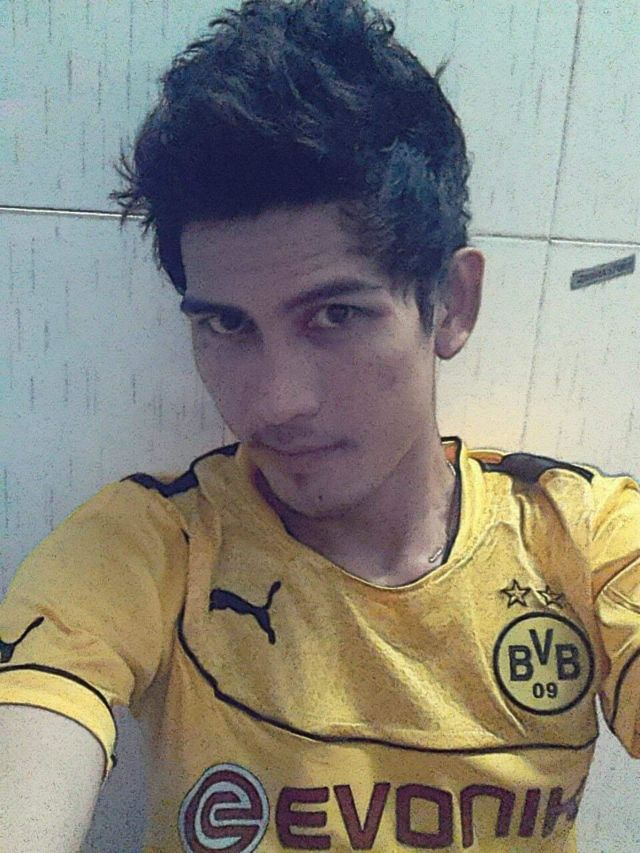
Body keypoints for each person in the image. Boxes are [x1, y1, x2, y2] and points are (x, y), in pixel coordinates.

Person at [0, 0, 638, 850]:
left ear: (452, 304)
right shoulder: (152, 545)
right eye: (226, 324)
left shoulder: (581, 539)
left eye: (335, 315)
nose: (274, 402)